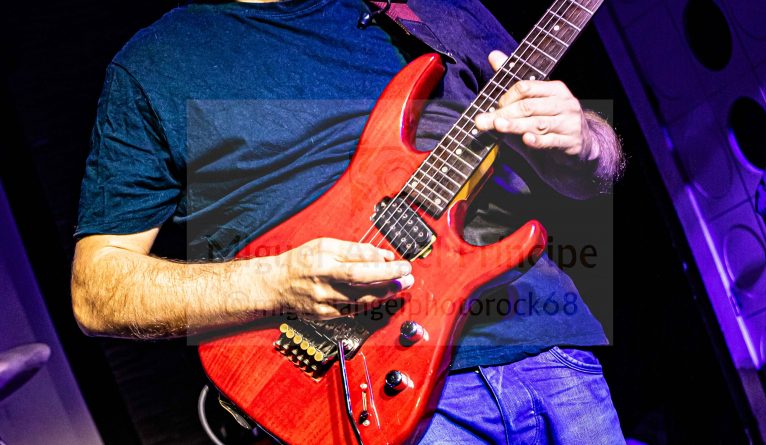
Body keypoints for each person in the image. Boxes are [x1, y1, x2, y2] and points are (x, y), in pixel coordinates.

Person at [71, 0, 626, 443]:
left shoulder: (430, 6)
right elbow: (96, 291)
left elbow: (586, 177)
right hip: (359, 390)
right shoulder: (154, 66)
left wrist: (584, 142)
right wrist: (276, 282)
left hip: (551, 353)